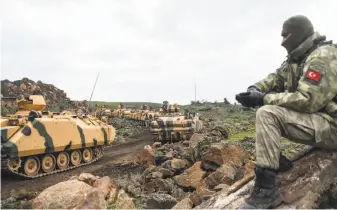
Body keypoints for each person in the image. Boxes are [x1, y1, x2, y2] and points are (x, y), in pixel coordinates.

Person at [235, 15, 337, 209]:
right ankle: (275, 161)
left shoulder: (322, 57)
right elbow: (275, 78)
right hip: (322, 122)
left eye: (285, 36)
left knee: (268, 113)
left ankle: (267, 191)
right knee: (266, 107)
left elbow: (308, 101)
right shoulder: (297, 58)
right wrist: (254, 89)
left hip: (333, 125)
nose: (282, 42)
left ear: (297, 34)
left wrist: (262, 99)